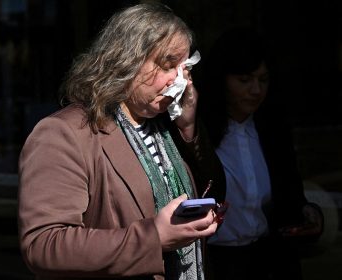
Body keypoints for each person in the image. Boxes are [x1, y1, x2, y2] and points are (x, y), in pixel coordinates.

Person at [18, 3, 219, 280]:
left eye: (184, 67)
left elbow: (215, 191)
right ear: (128, 59)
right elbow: (43, 245)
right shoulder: (65, 133)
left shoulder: (166, 125)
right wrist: (153, 238)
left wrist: (188, 127)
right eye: (168, 64)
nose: (178, 80)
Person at [191, 26, 324, 280]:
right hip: (217, 262)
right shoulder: (199, 131)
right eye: (245, 80)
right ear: (223, 79)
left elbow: (291, 193)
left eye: (263, 80)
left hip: (270, 261)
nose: (256, 90)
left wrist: (308, 213)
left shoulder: (272, 131)